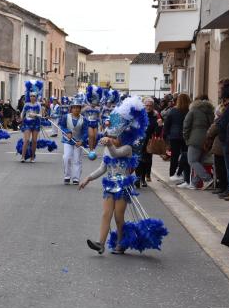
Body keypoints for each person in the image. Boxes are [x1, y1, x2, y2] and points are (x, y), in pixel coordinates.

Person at [80, 97, 153, 254]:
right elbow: (102, 168)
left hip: (123, 186)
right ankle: (100, 243)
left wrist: (109, 144)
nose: (113, 139)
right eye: (112, 136)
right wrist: (88, 178)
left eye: (115, 137)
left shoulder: (127, 148)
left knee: (119, 217)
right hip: (109, 185)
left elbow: (117, 153)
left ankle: (121, 242)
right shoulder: (109, 148)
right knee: (106, 214)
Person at [183, 95, 214, 190]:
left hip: (195, 138)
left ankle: (207, 179)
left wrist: (187, 139)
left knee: (192, 160)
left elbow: (186, 126)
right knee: (200, 161)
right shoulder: (210, 111)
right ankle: (195, 183)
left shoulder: (193, 110)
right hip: (207, 139)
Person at [164, 93, 191, 188]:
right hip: (185, 136)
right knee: (185, 156)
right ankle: (182, 174)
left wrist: (166, 136)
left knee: (174, 156)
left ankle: (172, 174)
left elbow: (167, 124)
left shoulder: (172, 111)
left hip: (174, 136)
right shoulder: (189, 111)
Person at [60, 95, 86, 185]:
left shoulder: (84, 119)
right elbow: (62, 126)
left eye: (78, 108)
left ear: (80, 109)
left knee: (77, 160)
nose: (76, 109)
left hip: (78, 142)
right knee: (66, 157)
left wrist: (82, 140)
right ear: (71, 108)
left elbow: (85, 132)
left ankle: (76, 178)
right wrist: (67, 132)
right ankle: (67, 176)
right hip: (68, 140)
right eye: (74, 108)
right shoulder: (65, 117)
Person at [135, 97, 160, 188]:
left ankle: (143, 178)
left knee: (146, 161)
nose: (148, 107)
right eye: (147, 105)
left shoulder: (155, 116)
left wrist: (160, 125)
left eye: (150, 106)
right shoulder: (139, 114)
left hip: (149, 141)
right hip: (139, 140)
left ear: (153, 106)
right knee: (139, 159)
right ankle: (138, 177)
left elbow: (157, 132)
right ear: (143, 105)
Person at [20, 81, 44, 163]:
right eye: (31, 96)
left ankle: (32, 157)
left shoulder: (38, 105)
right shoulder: (26, 104)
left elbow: (41, 115)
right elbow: (22, 113)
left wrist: (35, 115)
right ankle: (23, 157)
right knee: (26, 140)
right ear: (29, 96)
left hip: (36, 124)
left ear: (36, 96)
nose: (32, 97)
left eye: (34, 96)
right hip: (27, 123)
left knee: (34, 141)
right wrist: (21, 118)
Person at [83, 85, 103, 152]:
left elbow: (99, 117)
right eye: (92, 102)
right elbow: (80, 113)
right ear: (90, 100)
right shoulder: (87, 108)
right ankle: (91, 150)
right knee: (91, 136)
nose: (93, 104)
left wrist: (101, 124)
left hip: (95, 124)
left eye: (95, 102)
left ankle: (93, 148)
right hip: (88, 124)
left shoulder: (98, 108)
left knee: (95, 137)